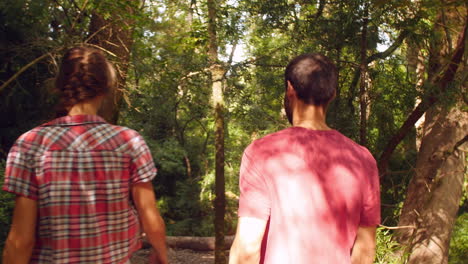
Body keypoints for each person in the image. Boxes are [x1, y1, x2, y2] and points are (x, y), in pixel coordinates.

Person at [2, 46, 167, 264]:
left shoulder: (30, 144)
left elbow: (21, 241)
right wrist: (161, 253)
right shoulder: (129, 141)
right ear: (106, 88)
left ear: (60, 84)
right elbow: (149, 215)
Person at [229, 53, 380, 264]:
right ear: (332, 94)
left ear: (290, 89)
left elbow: (247, 249)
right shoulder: (363, 159)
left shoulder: (262, 152)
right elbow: (365, 250)